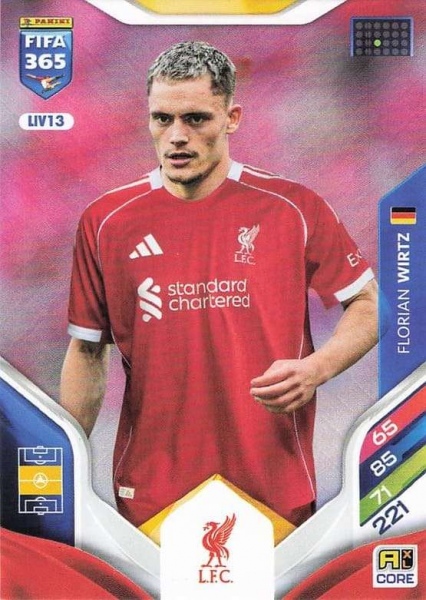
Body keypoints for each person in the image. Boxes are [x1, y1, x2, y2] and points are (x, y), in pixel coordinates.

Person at [60, 41, 378, 529]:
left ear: (232, 118)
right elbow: (86, 350)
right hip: (151, 495)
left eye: (195, 119)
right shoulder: (106, 221)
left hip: (273, 491)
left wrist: (317, 368)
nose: (176, 137)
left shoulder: (292, 207)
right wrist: (65, 468)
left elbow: (368, 304)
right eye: (162, 119)